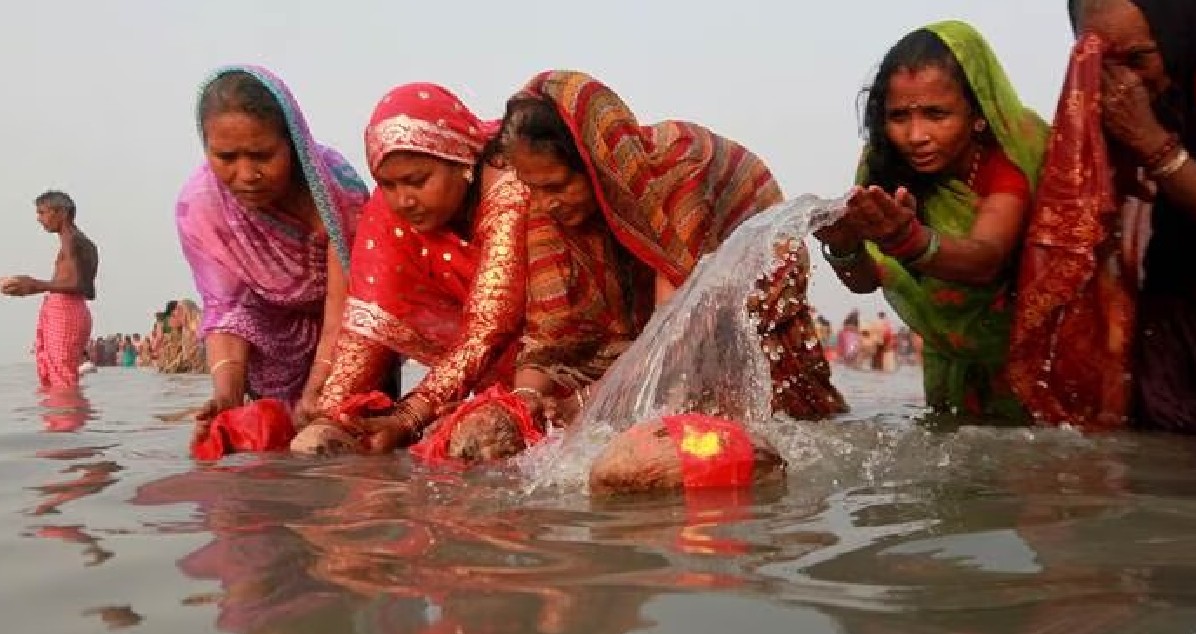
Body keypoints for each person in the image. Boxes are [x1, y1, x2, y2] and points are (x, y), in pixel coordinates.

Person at [499, 70, 845, 425]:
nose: (543, 204)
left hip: (746, 290)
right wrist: (525, 398)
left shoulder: (680, 170)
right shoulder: (548, 210)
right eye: (533, 188)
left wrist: (586, 403)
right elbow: (549, 331)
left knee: (745, 422)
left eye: (556, 187)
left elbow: (677, 331)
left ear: (596, 166)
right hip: (664, 319)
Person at [1011, 2, 1196, 444]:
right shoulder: (1104, 91)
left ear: (1179, 34)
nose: (1126, 80)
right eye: (1106, 61)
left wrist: (1151, 142)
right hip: (1178, 308)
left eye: (1138, 58)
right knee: (1165, 459)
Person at [817, 21, 1048, 420]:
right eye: (899, 116)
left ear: (977, 113)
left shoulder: (1005, 160)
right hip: (948, 358)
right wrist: (843, 247)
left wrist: (909, 241)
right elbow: (868, 279)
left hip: (1027, 354)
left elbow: (986, 258)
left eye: (936, 114)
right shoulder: (884, 169)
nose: (915, 134)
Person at [294, 82, 529, 453]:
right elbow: (367, 328)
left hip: (559, 359)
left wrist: (412, 414)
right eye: (387, 184)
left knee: (480, 443)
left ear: (462, 161)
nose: (403, 200)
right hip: (474, 372)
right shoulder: (388, 216)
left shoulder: (508, 188)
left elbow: (490, 324)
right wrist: (333, 414)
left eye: (417, 181)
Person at [175, 66, 368, 430]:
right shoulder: (201, 207)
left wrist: (319, 390)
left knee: (352, 450)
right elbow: (228, 309)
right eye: (226, 158)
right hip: (270, 349)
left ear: (292, 143)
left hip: (348, 341)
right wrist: (228, 396)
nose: (246, 175)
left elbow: (348, 306)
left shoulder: (338, 191)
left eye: (262, 155)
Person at [1, 191, 99, 391]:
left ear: (61, 213)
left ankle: (67, 419)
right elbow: (87, 290)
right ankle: (63, 419)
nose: (39, 219)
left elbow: (80, 284)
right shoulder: (82, 242)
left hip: (65, 313)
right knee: (58, 378)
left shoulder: (72, 240)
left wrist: (35, 285)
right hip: (71, 310)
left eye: (43, 212)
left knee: (61, 381)